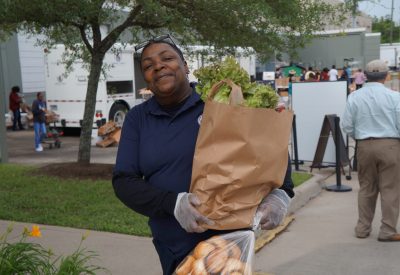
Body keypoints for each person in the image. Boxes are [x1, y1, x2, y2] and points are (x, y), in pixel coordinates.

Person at [112, 35, 294, 274]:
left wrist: (281, 194)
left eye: (167, 58)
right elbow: (124, 181)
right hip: (175, 244)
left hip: (230, 242)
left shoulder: (218, 102)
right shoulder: (138, 118)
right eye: (148, 65)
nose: (158, 66)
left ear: (186, 66)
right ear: (145, 77)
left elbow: (269, 151)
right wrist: (173, 203)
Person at [341, 59, 400, 242]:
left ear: (365, 76)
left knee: (366, 188)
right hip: (390, 144)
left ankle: (362, 228)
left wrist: (359, 136)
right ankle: (388, 231)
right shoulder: (395, 96)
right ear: (387, 76)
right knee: (390, 189)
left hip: (364, 145)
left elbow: (347, 125)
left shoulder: (355, 97)